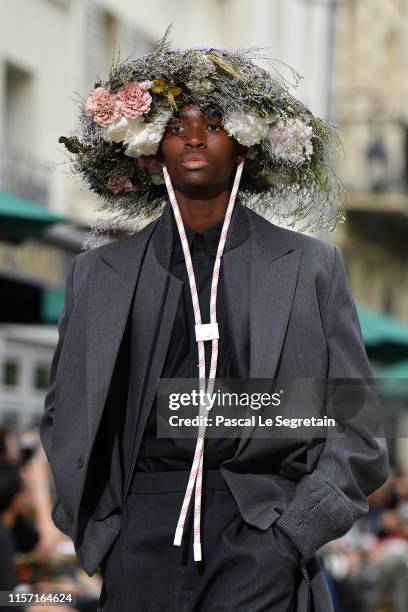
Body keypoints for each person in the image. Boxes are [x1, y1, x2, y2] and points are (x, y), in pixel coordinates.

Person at [39, 31, 389, 611]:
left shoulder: (310, 266)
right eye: (176, 127)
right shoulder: (99, 274)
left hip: (260, 526)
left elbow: (356, 428)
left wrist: (290, 537)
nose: (194, 138)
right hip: (139, 530)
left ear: (247, 144)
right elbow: (64, 415)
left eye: (214, 125)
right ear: (149, 148)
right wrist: (102, 532)